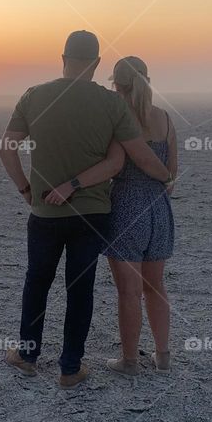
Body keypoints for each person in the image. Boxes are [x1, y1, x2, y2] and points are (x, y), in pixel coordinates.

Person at [0, 32, 172, 389]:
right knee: (81, 288)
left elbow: (6, 148)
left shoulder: (34, 95)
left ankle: (27, 356)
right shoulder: (111, 103)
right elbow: (132, 156)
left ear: (62, 57)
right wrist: (167, 176)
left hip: (44, 212)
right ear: (95, 64)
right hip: (92, 214)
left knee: (37, 282)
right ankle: (70, 368)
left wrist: (26, 188)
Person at [48, 56, 176, 376]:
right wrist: (160, 183)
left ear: (117, 86)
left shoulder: (119, 121)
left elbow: (115, 165)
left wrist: (73, 183)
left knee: (128, 291)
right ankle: (163, 357)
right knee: (156, 287)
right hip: (160, 209)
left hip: (126, 207)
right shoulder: (165, 119)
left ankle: (129, 361)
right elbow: (172, 174)